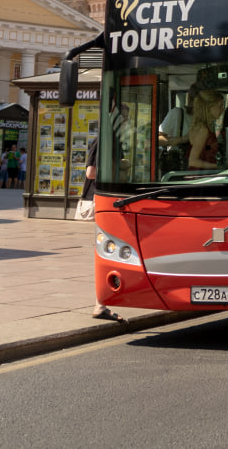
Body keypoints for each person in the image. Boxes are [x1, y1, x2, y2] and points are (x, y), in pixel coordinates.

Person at [82, 138, 125, 323]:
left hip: (110, 198)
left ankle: (101, 303)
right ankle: (99, 305)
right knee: (104, 248)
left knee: (106, 248)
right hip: (102, 199)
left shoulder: (115, 141)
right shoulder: (102, 140)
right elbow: (90, 173)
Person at [187, 90, 225, 170]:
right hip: (200, 178)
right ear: (209, 107)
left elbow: (205, 149)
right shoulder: (202, 130)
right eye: (220, 106)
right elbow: (193, 161)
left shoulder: (206, 126)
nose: (223, 109)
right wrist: (218, 167)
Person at [157, 94, 193, 173]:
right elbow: (157, 140)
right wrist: (183, 139)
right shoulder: (177, 113)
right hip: (179, 166)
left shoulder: (206, 118)